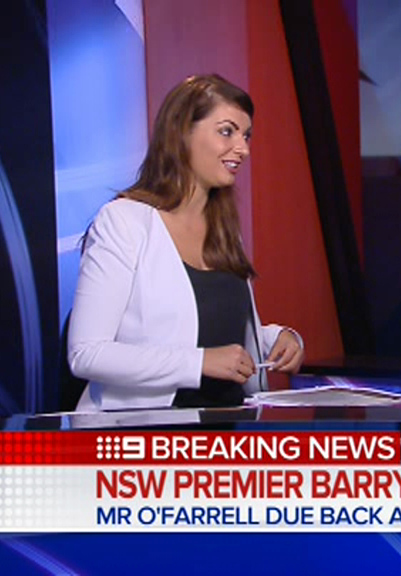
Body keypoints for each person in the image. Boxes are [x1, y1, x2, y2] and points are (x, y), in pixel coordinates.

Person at [68, 74, 305, 411]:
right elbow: (87, 353)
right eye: (227, 132)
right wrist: (198, 362)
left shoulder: (223, 228)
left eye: (246, 135)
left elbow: (201, 328)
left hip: (228, 429)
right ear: (182, 134)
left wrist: (275, 338)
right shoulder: (124, 221)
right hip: (148, 431)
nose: (243, 149)